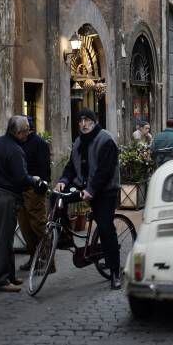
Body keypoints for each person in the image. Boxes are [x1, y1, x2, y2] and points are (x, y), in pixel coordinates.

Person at [55, 108, 121, 289]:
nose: (83, 124)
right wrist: (63, 181)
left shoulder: (106, 140)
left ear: (95, 121)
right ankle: (63, 237)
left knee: (106, 228)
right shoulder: (78, 142)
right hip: (83, 185)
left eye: (87, 120)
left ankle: (115, 272)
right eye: (81, 120)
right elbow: (71, 166)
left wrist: (91, 190)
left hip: (105, 190)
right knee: (57, 198)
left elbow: (105, 171)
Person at [0, 116, 42, 292]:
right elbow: (21, 178)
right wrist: (34, 179)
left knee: (4, 237)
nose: (28, 133)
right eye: (26, 130)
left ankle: (9, 276)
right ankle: (0, 281)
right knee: (4, 240)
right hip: (5, 198)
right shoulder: (16, 150)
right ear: (18, 132)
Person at [18, 117, 51, 271]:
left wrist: (40, 189)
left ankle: (47, 261)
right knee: (26, 228)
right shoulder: (19, 142)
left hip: (35, 191)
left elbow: (44, 168)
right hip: (22, 190)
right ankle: (33, 257)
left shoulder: (39, 143)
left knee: (38, 226)